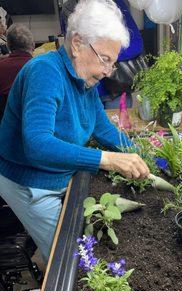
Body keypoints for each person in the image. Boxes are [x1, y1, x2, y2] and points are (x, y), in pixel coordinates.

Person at [0, 0, 149, 263]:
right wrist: (107, 159)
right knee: (71, 256)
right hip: (31, 183)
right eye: (104, 59)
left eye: (111, 63)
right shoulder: (44, 72)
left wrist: (137, 154)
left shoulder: (84, 78)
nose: (106, 71)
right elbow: (37, 143)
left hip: (59, 174)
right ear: (78, 43)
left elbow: (101, 126)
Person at [61, 0, 143, 109]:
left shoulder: (114, 4)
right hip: (84, 89)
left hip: (115, 89)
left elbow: (137, 44)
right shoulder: (67, 8)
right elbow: (69, 46)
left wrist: (106, 56)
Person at [0, 24, 34, 120]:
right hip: (36, 123)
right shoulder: (42, 68)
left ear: (8, 46)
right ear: (33, 45)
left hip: (6, 125)